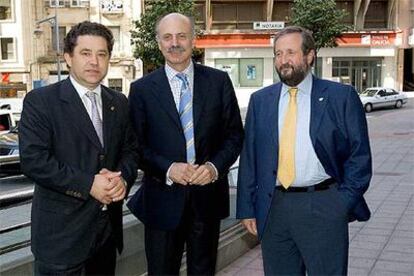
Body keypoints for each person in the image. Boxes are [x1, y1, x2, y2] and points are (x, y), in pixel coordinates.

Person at [236, 26, 372, 275]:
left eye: (290, 52)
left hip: (322, 205)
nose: (283, 60)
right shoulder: (260, 101)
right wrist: (247, 208)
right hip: (274, 208)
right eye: (278, 53)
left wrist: (340, 204)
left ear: (309, 56)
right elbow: (250, 159)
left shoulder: (341, 97)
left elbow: (359, 157)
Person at [127, 12, 244, 275]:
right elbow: (135, 146)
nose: (174, 42)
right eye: (167, 37)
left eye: (181, 35)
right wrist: (168, 168)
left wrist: (214, 168)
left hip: (207, 200)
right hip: (161, 201)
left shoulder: (218, 82)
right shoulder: (141, 89)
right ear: (159, 43)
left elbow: (234, 135)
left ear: (193, 40)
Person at [19, 21, 138, 275]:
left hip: (106, 233)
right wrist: (88, 184)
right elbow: (33, 160)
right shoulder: (41, 101)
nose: (94, 61)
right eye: (85, 53)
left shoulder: (119, 101)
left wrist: (123, 180)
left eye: (101, 54)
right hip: (60, 239)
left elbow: (130, 151)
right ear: (68, 58)